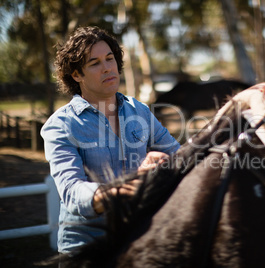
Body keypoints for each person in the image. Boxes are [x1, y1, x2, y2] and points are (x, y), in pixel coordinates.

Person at [40, 26, 180, 256]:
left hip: (138, 242)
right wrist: (133, 186)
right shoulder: (61, 125)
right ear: (76, 75)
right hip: (86, 251)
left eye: (109, 58)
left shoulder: (140, 111)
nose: (107, 68)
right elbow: (74, 194)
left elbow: (180, 156)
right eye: (94, 63)